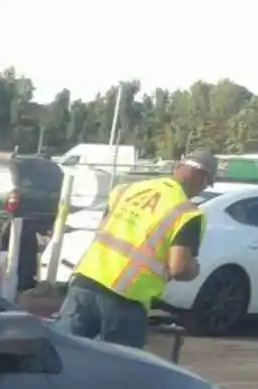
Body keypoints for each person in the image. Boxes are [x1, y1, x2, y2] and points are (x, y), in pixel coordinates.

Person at [60, 149, 214, 348]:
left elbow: (103, 228)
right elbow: (180, 267)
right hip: (127, 298)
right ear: (203, 180)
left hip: (85, 282)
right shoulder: (188, 213)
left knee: (63, 357)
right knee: (121, 371)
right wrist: (195, 269)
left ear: (177, 167)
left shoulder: (126, 190)